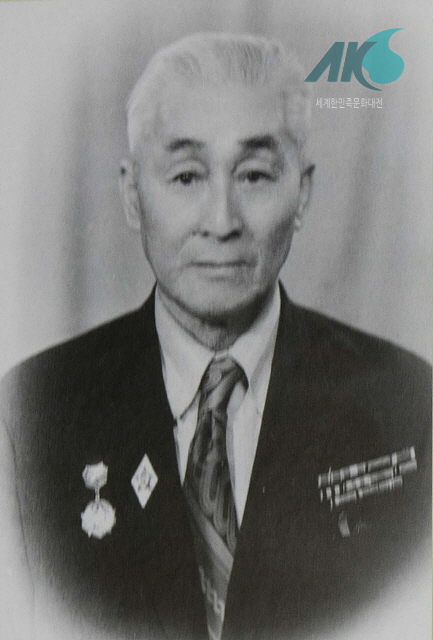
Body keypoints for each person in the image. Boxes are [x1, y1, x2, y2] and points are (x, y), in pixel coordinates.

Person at [0, 32, 430, 640]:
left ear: (302, 194)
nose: (222, 221)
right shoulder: (33, 411)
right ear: (132, 195)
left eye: (254, 175)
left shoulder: (407, 403)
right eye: (186, 177)